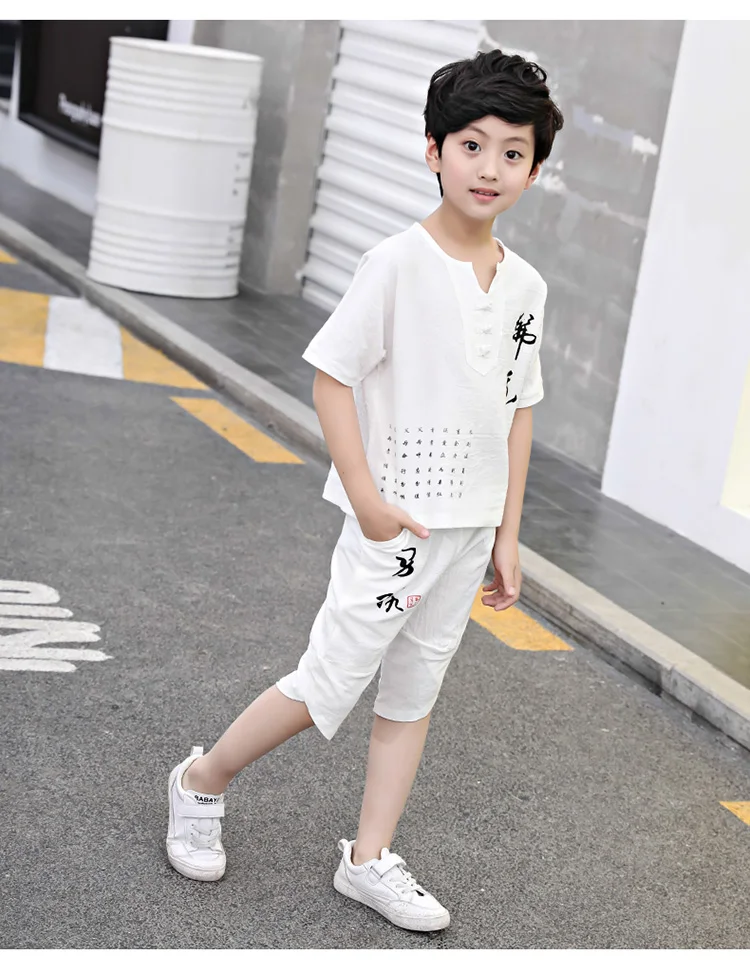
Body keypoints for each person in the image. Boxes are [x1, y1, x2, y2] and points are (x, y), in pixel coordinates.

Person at [166, 48, 564, 933]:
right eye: (472, 144)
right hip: (398, 524)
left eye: (513, 152)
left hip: (469, 529)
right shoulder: (396, 263)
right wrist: (369, 500)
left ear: (535, 170)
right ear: (433, 150)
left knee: (414, 692)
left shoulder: (528, 286)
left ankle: (369, 858)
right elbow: (331, 380)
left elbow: (519, 409)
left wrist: (508, 534)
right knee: (328, 683)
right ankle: (201, 779)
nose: (490, 167)